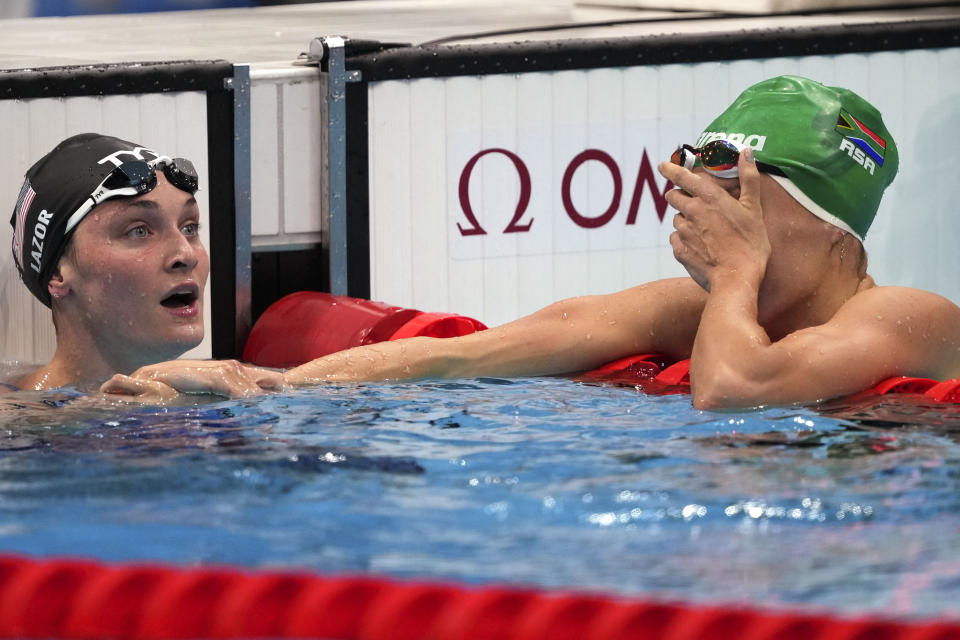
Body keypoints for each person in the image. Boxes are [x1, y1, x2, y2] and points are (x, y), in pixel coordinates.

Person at [89, 77, 960, 406]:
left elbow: (735, 391)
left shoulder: (902, 317)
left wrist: (734, 274)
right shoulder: (691, 308)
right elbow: (480, 356)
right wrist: (270, 384)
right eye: (709, 193)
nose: (714, 217)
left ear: (833, 226)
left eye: (745, 198)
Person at [6, 133, 282, 394]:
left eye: (189, 227)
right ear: (57, 272)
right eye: (139, 230)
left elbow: (320, 374)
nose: (186, 255)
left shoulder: (217, 382)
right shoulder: (15, 418)